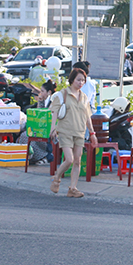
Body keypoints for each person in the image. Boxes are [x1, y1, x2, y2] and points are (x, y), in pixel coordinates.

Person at [50, 68, 96, 198]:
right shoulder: (62, 94)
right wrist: (53, 128)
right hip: (65, 131)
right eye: (78, 80)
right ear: (72, 80)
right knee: (69, 159)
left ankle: (73, 188)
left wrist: (92, 133)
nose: (81, 82)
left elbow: (87, 116)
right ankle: (57, 177)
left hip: (80, 132)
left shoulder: (84, 97)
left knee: (77, 161)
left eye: (83, 80)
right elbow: (54, 112)